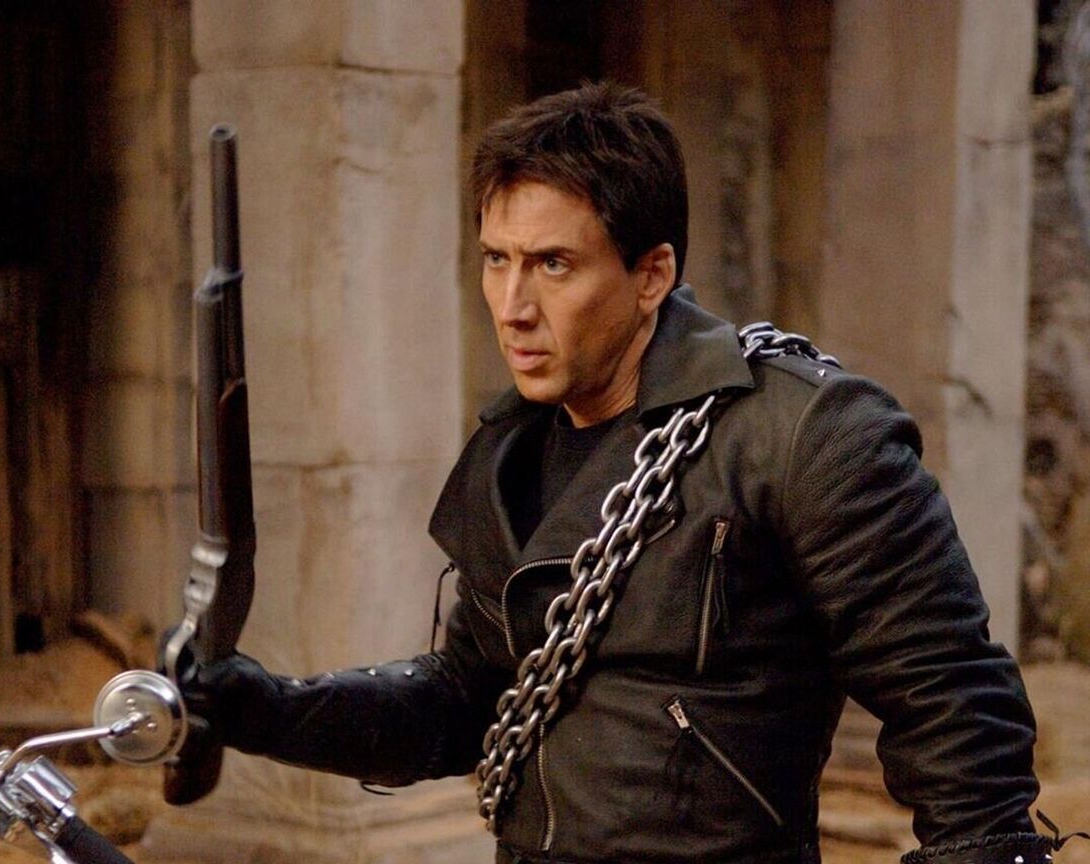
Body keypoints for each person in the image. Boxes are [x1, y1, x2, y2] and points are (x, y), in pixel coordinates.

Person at [180, 82, 1052, 864]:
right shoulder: (510, 453)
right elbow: (466, 701)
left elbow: (957, 716)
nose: (513, 307)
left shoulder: (806, 437)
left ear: (651, 275)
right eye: (496, 259)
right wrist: (270, 709)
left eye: (553, 264)